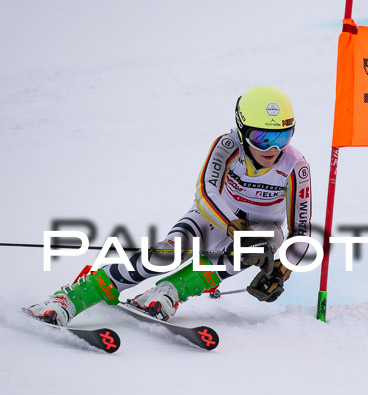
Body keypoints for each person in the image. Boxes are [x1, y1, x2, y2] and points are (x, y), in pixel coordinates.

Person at [26, 86, 312, 326]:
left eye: (283, 137)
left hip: (261, 230)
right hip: (213, 217)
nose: (272, 150)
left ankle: (170, 292)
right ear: (241, 129)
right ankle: (72, 298)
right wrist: (236, 229)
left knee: (255, 248)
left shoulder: (295, 166)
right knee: (166, 255)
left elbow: (302, 230)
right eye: (262, 138)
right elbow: (206, 192)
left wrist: (280, 270)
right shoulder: (226, 146)